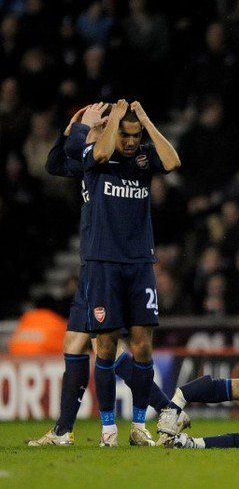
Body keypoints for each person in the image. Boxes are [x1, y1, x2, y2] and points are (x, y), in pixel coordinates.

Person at [28, 103, 174, 447]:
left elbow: (163, 160)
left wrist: (89, 126)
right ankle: (69, 430)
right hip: (95, 260)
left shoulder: (112, 153)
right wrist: (75, 126)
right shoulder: (87, 154)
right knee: (82, 342)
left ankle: (153, 409)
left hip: (109, 259)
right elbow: (53, 163)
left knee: (91, 343)